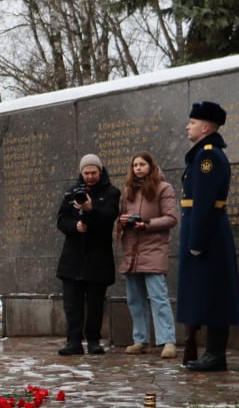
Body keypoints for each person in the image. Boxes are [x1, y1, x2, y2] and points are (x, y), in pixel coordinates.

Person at [178, 102, 239, 372]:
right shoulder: (204, 154)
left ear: (205, 127)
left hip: (208, 233)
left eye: (192, 122)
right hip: (206, 231)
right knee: (207, 292)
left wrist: (196, 241)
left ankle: (216, 354)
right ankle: (212, 353)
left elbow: (203, 203)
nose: (187, 126)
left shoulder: (207, 157)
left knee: (214, 293)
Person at [54, 154, 120, 356]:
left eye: (93, 172)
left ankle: (93, 340)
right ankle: (73, 341)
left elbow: (109, 216)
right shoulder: (71, 193)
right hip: (73, 256)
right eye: (86, 173)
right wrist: (75, 226)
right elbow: (61, 219)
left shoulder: (111, 192)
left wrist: (90, 209)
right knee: (72, 303)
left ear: (100, 172)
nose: (90, 176)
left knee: (95, 303)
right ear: (81, 173)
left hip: (98, 256)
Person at [117, 152, 180, 359]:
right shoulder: (128, 191)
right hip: (132, 251)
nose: (137, 168)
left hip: (153, 249)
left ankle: (168, 341)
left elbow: (171, 218)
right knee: (135, 300)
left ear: (151, 166)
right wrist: (123, 221)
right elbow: (120, 218)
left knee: (158, 298)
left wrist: (147, 224)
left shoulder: (164, 188)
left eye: (142, 164)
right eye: (134, 165)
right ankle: (140, 340)